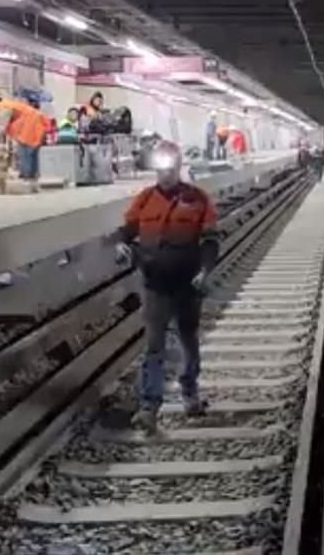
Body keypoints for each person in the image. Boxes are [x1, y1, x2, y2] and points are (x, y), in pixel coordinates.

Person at [114, 140, 219, 433]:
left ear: (178, 167)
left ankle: (190, 393)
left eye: (170, 170)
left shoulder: (198, 198)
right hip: (155, 283)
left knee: (188, 340)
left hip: (187, 284)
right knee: (154, 346)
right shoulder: (145, 198)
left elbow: (211, 240)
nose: (165, 176)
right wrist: (122, 244)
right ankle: (149, 407)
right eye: (161, 171)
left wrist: (205, 271)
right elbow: (128, 229)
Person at [0, 96, 49, 189]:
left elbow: (1, 128)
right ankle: (33, 180)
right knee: (31, 151)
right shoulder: (1, 106)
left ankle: (26, 179)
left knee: (25, 150)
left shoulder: (0, 108)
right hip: (34, 120)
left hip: (31, 122)